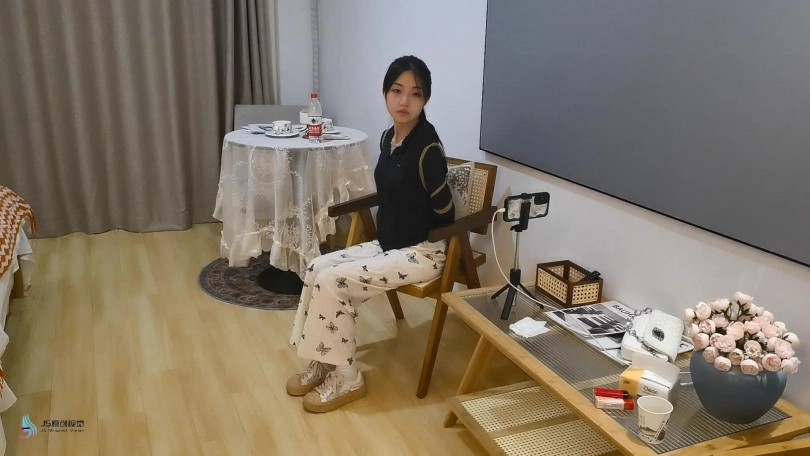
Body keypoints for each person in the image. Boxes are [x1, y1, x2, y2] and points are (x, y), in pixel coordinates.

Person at [286, 55, 455, 412]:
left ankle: (348, 378)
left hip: (421, 252)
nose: (404, 101)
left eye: (415, 93)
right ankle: (324, 359)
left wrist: (422, 232)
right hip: (389, 244)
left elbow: (446, 213)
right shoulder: (388, 138)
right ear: (385, 93)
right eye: (397, 90)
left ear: (425, 99)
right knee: (316, 267)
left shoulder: (428, 148)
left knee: (333, 282)